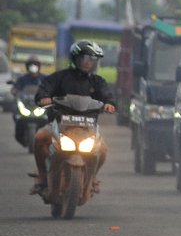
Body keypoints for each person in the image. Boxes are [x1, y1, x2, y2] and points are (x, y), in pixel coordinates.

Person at [30, 41, 116, 195]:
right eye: (86, 58)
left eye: (93, 59)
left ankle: (93, 177)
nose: (89, 62)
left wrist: (109, 103)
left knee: (102, 149)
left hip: (87, 127)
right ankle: (42, 177)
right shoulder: (59, 77)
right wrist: (43, 97)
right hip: (59, 124)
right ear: (75, 58)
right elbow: (44, 90)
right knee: (39, 137)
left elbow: (107, 95)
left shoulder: (97, 81)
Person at [11, 56, 45, 142]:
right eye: (31, 65)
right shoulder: (22, 79)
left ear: (39, 66)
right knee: (16, 113)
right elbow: (15, 89)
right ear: (27, 66)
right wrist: (14, 91)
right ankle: (22, 137)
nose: (33, 67)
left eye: (35, 65)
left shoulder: (44, 78)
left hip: (39, 104)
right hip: (26, 105)